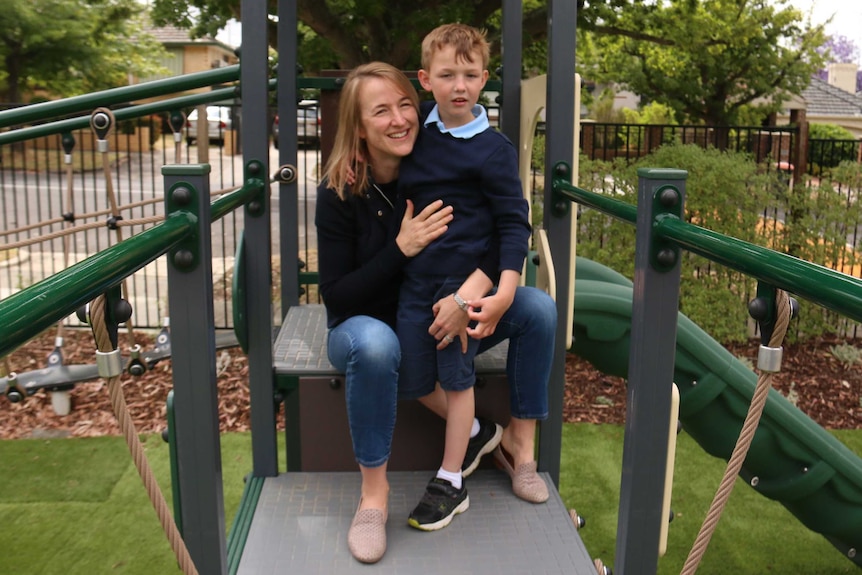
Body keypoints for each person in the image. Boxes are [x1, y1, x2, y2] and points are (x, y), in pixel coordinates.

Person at [316, 62, 555, 564]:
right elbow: (338, 297)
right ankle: (374, 499)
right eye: (381, 111)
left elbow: (493, 231)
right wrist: (399, 249)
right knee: (380, 348)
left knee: (536, 307)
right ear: (359, 127)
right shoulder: (340, 192)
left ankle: (516, 441)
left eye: (406, 104)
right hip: (365, 324)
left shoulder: (434, 156)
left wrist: (470, 296)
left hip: (439, 306)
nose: (400, 119)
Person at [394, 22, 533, 533]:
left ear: (484, 79)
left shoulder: (493, 149)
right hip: (415, 281)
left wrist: (504, 288)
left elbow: (513, 223)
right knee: (411, 377)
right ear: (425, 78)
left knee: (456, 378)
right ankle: (477, 431)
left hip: (461, 284)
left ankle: (451, 480)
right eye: (447, 74)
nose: (459, 86)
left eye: (470, 75)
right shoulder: (417, 135)